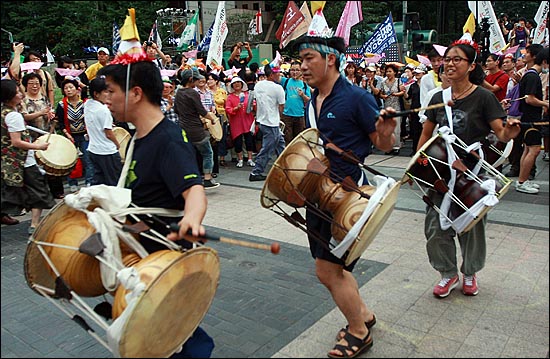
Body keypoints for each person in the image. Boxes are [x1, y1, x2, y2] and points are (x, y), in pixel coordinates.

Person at [97, 49, 214, 359]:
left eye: (111, 90)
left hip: (162, 262)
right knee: (168, 333)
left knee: (175, 336)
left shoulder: (169, 139)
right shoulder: (139, 136)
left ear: (135, 93)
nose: (104, 98)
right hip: (141, 256)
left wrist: (192, 218)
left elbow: (194, 191)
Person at [292, 34, 397, 358]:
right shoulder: (313, 100)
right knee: (339, 268)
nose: (302, 65)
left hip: (347, 197)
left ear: (330, 59)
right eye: (301, 59)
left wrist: (387, 130)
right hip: (318, 196)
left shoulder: (356, 98)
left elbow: (383, 146)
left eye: (309, 58)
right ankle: (362, 313)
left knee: (327, 271)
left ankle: (358, 332)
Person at [417, 37, 521, 299]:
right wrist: (417, 166)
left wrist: (509, 132)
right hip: (441, 173)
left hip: (472, 173)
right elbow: (425, 135)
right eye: (446, 59)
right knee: (434, 227)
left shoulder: (484, 98)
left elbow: (500, 132)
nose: (449, 64)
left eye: (456, 59)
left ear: (471, 66)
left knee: (472, 226)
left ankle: (470, 273)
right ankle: (447, 273)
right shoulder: (438, 97)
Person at [1, 79, 56, 235]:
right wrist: (38, 147)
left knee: (27, 193)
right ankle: (34, 224)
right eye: (17, 92)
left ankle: (34, 222)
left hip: (10, 162)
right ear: (10, 96)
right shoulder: (13, 116)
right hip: (23, 161)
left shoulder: (4, 112)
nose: (21, 93)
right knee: (38, 192)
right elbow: (16, 142)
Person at [510, 45, 549, 194]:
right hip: (532, 119)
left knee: (528, 149)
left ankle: (523, 179)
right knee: (534, 149)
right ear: (544, 61)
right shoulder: (533, 76)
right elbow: (530, 99)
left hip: (528, 118)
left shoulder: (529, 74)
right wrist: (545, 103)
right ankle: (521, 182)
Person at [174, 68, 220, 189]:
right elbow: (202, 111)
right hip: (196, 129)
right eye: (196, 79)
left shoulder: (178, 92)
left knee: (189, 154)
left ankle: (188, 178)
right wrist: (213, 119)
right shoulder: (192, 92)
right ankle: (208, 179)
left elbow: (176, 110)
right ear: (190, 80)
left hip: (183, 128)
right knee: (207, 153)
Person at [55, 78, 94, 191]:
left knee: (88, 159)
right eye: (66, 88)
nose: (68, 90)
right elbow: (61, 123)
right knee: (70, 160)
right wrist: (68, 135)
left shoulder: (85, 103)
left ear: (77, 90)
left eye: (71, 87)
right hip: (70, 135)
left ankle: (89, 181)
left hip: (85, 135)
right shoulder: (62, 105)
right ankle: (72, 183)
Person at [248, 65, 285, 182]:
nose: (280, 75)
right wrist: (278, 116)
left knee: (280, 144)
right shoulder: (278, 88)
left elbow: (254, 100)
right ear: (272, 74)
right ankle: (256, 172)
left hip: (262, 120)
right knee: (267, 149)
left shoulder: (258, 85)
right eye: (278, 73)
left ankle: (285, 167)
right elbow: (281, 106)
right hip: (272, 122)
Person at [84, 76, 122, 186]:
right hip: (107, 152)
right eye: (106, 92)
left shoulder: (87, 105)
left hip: (93, 150)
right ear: (96, 94)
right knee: (115, 182)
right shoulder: (104, 110)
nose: (109, 95)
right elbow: (109, 133)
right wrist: (117, 144)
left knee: (99, 182)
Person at [224, 77, 256, 168]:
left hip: (247, 120)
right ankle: (240, 159)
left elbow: (253, 107)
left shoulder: (248, 95)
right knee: (237, 141)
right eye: (235, 83)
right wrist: (236, 108)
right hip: (236, 122)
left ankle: (250, 159)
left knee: (249, 140)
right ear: (232, 85)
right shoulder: (230, 97)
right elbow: (228, 109)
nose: (237, 84)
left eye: (239, 82)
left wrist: (253, 105)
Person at [280, 61, 311, 145]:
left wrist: (303, 95)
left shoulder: (305, 85)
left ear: (301, 71)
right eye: (292, 70)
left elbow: (309, 100)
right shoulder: (285, 81)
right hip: (287, 115)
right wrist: (278, 63)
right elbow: (273, 74)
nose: (294, 72)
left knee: (299, 140)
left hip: (300, 116)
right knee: (287, 139)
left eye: (297, 70)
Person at [379, 63, 406, 154]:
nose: (388, 73)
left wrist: (395, 94)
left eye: (390, 71)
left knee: (396, 128)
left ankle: (396, 146)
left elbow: (402, 92)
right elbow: (380, 94)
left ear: (395, 72)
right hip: (387, 107)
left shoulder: (399, 81)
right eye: (387, 71)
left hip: (396, 107)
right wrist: (384, 96)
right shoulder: (383, 82)